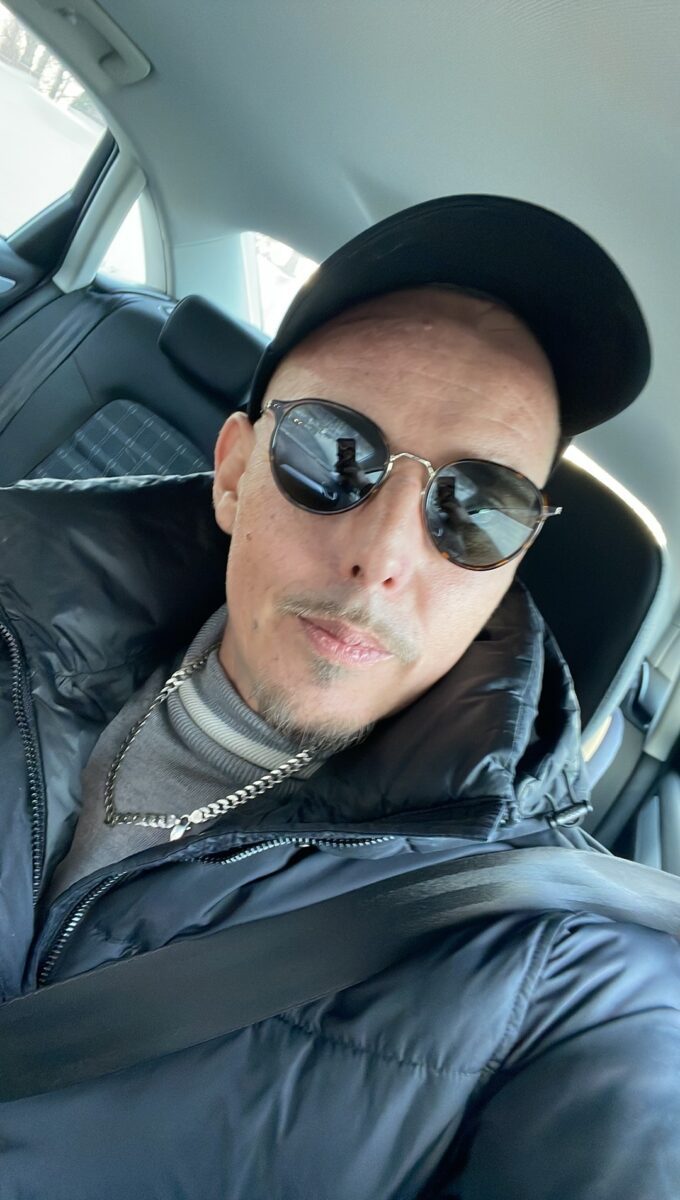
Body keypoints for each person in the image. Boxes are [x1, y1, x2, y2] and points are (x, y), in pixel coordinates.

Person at [0, 195, 678, 1199]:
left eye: (478, 508)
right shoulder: (12, 612)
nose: (382, 557)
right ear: (234, 472)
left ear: (513, 560)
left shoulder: (564, 968)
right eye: (332, 455)